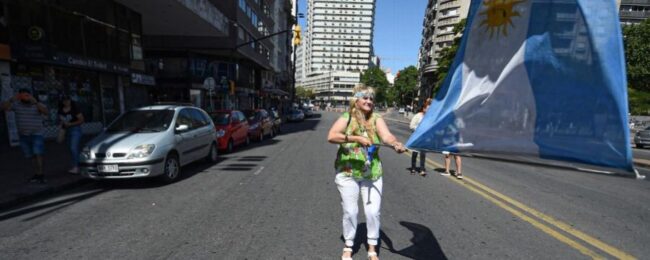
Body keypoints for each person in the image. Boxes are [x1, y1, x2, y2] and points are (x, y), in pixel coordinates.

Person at [327, 84, 406, 260]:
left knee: (372, 212)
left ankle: (372, 247)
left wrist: (395, 144)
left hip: (372, 173)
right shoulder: (346, 117)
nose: (369, 101)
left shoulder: (377, 119)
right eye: (365, 97)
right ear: (356, 100)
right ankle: (349, 245)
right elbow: (331, 136)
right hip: (347, 172)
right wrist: (356, 138)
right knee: (350, 211)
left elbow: (386, 136)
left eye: (371, 98)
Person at [1, 88, 48, 183]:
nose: (25, 97)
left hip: (36, 134)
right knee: (30, 155)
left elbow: (46, 112)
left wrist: (36, 102)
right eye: (22, 95)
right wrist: (11, 99)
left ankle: (41, 174)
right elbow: (2, 108)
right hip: (23, 135)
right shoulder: (16, 104)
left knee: (38, 154)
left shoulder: (37, 104)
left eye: (27, 95)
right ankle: (37, 173)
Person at [58, 96, 84, 174]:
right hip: (66, 130)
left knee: (73, 148)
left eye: (67, 100)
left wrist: (70, 124)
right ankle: (78, 164)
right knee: (71, 148)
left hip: (75, 129)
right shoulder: (60, 110)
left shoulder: (74, 109)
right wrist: (61, 130)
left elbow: (81, 120)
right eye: (64, 100)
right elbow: (61, 121)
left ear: (70, 101)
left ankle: (77, 167)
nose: (66, 102)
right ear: (62, 102)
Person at [409, 103, 429, 176]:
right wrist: (419, 130)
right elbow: (411, 126)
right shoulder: (417, 116)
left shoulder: (428, 117)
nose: (428, 110)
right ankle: (413, 168)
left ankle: (422, 169)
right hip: (416, 137)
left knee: (423, 154)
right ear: (423, 109)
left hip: (424, 138)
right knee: (415, 153)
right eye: (427, 108)